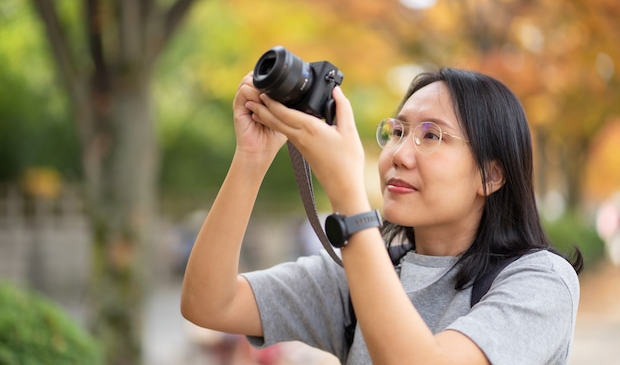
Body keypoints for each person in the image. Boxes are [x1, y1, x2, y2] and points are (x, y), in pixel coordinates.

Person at [181, 67, 583, 365]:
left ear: (491, 175)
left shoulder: (540, 283)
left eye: (431, 135)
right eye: (397, 132)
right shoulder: (363, 274)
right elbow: (208, 304)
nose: (399, 155)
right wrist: (251, 159)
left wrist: (347, 193)